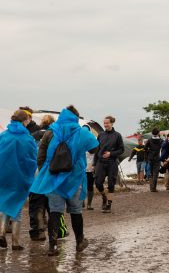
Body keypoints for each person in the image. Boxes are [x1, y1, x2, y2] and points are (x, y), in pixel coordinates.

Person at [31, 106, 99, 256]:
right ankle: (80, 242)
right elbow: (94, 149)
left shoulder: (51, 131)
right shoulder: (81, 132)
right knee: (76, 210)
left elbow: (41, 154)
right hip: (74, 179)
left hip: (54, 178)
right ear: (75, 117)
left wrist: (44, 171)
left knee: (55, 212)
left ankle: (53, 247)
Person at [0, 109, 37, 250]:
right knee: (17, 208)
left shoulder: (3, 136)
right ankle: (15, 242)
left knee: (5, 204)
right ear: (24, 121)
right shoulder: (27, 138)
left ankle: (2, 233)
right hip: (20, 177)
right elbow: (32, 159)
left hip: (3, 176)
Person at [29, 114, 55, 241]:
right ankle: (56, 230)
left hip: (35, 175)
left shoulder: (33, 136)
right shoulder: (55, 135)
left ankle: (38, 231)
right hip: (51, 174)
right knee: (52, 205)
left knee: (36, 205)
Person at [94, 116, 124, 213]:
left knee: (111, 184)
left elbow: (121, 149)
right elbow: (97, 149)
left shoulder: (117, 135)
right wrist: (94, 163)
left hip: (112, 162)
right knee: (98, 182)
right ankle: (104, 196)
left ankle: (109, 205)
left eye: (107, 123)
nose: (105, 125)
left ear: (112, 123)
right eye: (104, 123)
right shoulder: (101, 135)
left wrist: (111, 154)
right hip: (101, 162)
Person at [144, 128, 162, 192]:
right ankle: (154, 188)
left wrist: (148, 153)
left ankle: (151, 187)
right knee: (155, 174)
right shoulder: (160, 140)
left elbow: (145, 148)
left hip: (150, 158)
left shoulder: (150, 140)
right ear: (158, 133)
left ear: (152, 133)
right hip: (157, 158)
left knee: (151, 173)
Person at [83, 125, 95, 210]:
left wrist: (95, 165)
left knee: (90, 186)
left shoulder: (93, 142)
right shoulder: (79, 141)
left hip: (90, 168)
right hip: (81, 168)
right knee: (80, 185)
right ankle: (81, 202)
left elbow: (96, 155)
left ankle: (89, 204)